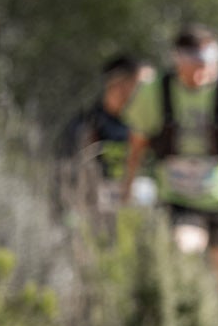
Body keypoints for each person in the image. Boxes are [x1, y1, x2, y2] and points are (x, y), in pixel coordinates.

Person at [122, 26, 218, 307]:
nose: (200, 73)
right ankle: (187, 319)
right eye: (193, 65)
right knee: (182, 250)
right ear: (178, 61)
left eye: (206, 65)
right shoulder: (154, 92)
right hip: (179, 198)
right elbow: (136, 145)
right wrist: (126, 191)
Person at [54, 54, 151, 213]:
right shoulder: (85, 126)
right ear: (118, 84)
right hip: (96, 216)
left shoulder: (149, 127)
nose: (150, 95)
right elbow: (66, 179)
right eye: (142, 86)